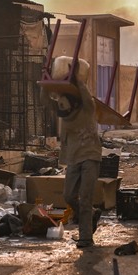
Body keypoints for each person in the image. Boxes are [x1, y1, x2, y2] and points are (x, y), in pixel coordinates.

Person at [41, 64, 102, 248]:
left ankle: (85, 237)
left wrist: (78, 79)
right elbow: (45, 100)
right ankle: (91, 213)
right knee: (68, 196)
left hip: (90, 156)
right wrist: (45, 81)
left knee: (85, 197)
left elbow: (84, 94)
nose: (65, 115)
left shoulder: (87, 108)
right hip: (73, 159)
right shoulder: (63, 111)